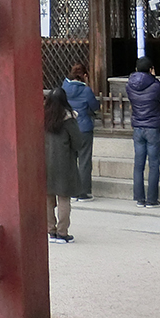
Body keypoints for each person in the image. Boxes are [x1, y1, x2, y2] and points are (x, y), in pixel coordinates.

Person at [125, 57, 160, 207]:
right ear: (151, 69)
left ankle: (139, 198)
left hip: (137, 125)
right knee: (153, 164)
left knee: (138, 164)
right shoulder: (156, 85)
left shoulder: (129, 85)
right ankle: (151, 199)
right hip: (153, 126)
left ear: (137, 69)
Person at [43, 87, 78, 243]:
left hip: (45, 162)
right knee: (64, 198)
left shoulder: (42, 117)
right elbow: (78, 142)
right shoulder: (68, 119)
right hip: (64, 162)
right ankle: (62, 232)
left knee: (48, 198)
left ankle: (50, 229)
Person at [62, 62, 98, 201]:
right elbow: (94, 106)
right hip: (84, 127)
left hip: (69, 126)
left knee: (71, 159)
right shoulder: (86, 90)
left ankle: (72, 191)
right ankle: (83, 192)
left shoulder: (64, 88)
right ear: (84, 76)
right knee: (84, 160)